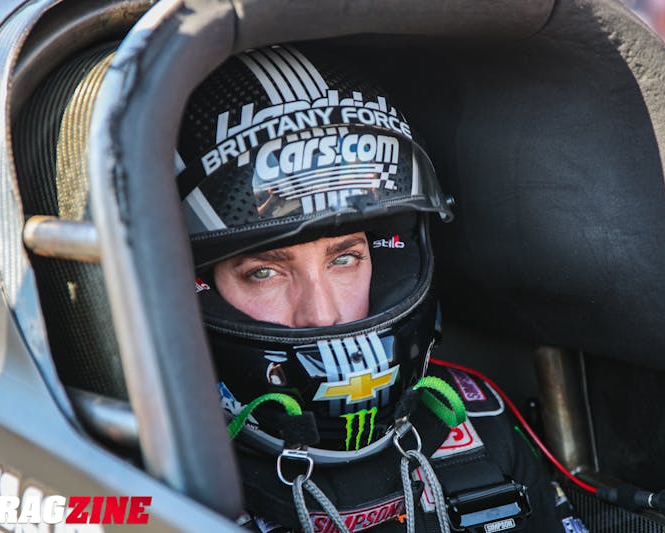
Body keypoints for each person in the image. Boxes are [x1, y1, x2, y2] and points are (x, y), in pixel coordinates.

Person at [176, 44, 586, 533]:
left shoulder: (478, 426)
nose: (322, 314)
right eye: (264, 272)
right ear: (197, 285)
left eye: (343, 259)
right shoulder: (154, 479)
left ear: (391, 260)